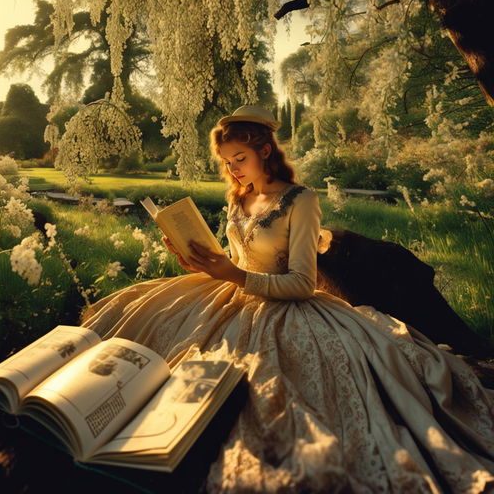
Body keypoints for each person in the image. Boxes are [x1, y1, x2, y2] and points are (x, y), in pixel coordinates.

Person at [80, 104, 494, 493]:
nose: (232, 169)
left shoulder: (302, 200)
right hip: (232, 291)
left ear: (264, 150)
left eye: (239, 158)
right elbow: (239, 259)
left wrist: (235, 274)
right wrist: (204, 263)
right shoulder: (239, 196)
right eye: (226, 161)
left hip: (286, 304)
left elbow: (300, 282)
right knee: (138, 316)